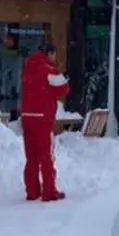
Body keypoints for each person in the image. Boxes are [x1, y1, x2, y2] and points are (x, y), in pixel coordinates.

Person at [20, 43, 69, 202]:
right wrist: (62, 75)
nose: (55, 58)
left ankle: (32, 191)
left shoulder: (28, 68)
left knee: (31, 156)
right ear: (50, 53)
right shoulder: (48, 70)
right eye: (54, 55)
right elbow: (63, 89)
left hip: (27, 117)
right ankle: (49, 191)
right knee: (46, 155)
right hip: (43, 118)